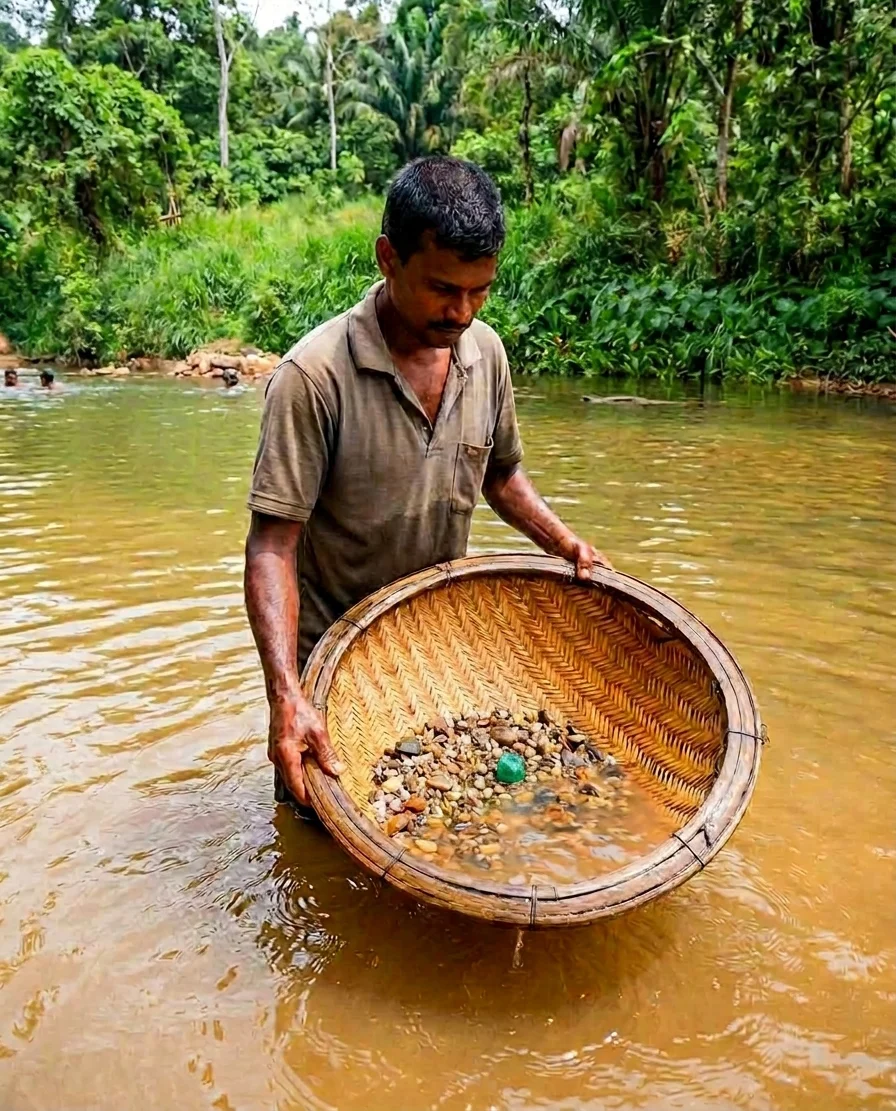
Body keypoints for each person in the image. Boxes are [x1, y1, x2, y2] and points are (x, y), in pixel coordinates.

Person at [244, 156, 611, 808]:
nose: (462, 311)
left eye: (481, 291)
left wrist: (567, 545)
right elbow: (273, 545)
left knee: (439, 816)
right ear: (389, 257)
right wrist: (286, 695)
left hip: (433, 651)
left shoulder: (486, 353)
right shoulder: (314, 377)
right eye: (444, 289)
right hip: (333, 664)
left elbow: (501, 477)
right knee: (314, 842)